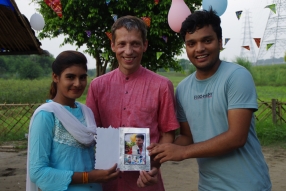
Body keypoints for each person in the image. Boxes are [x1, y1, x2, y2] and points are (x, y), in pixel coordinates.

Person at [148, 9, 272, 191]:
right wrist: (160, 153)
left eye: (207, 40)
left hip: (248, 185)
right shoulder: (182, 89)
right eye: (191, 43)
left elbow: (237, 137)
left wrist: (182, 153)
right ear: (186, 48)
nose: (199, 49)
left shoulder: (237, 76)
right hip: (208, 186)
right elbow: (187, 137)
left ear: (220, 42)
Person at [86, 15, 179, 191]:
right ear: (113, 45)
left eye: (135, 43)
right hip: (107, 182)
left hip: (145, 183)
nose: (128, 51)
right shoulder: (98, 86)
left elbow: (168, 134)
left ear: (145, 45)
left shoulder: (162, 86)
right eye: (121, 44)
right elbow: (92, 133)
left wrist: (154, 166)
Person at [26, 50, 119, 191]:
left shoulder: (86, 112)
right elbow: (38, 173)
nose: (77, 83)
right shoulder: (46, 115)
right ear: (55, 77)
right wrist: (90, 177)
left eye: (82, 77)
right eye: (70, 77)